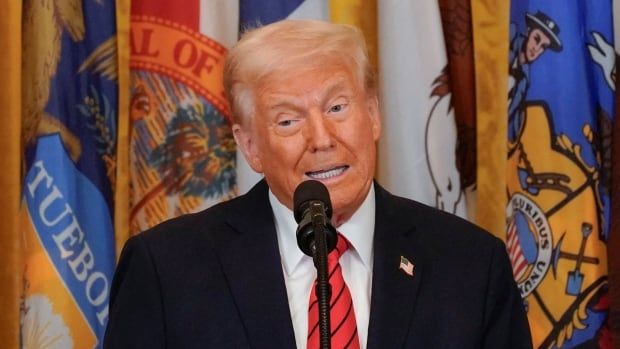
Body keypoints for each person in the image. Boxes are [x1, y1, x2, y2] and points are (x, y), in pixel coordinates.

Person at [104, 19, 532, 348]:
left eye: (338, 107)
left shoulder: (472, 266)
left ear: (374, 113)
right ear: (250, 146)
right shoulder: (167, 270)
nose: (322, 139)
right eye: (288, 120)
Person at [508, 11, 562, 145]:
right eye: (536, 39)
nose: (536, 49)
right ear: (528, 31)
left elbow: (513, 118)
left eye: (543, 47)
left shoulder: (524, 82)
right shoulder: (509, 36)